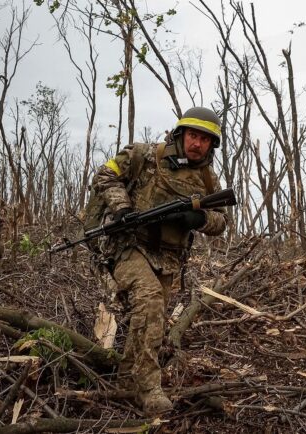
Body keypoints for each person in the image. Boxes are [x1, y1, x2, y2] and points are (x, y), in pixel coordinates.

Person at [91, 107, 229, 415]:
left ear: (212, 145)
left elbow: (221, 222)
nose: (198, 144)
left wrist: (199, 218)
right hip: (129, 246)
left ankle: (126, 382)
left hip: (169, 259)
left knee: (149, 317)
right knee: (150, 302)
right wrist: (122, 207)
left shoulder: (208, 179)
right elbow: (106, 174)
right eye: (193, 135)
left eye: (206, 140)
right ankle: (149, 388)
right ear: (181, 134)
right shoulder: (144, 155)